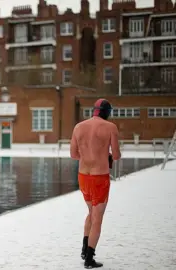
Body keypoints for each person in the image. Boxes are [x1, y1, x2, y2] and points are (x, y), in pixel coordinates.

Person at [70, 98, 121, 269]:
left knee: (91, 212)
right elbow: (116, 155)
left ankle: (85, 250)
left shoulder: (78, 127)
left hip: (83, 175)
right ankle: (89, 259)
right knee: (97, 218)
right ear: (107, 112)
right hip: (100, 177)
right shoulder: (110, 127)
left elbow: (74, 155)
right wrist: (103, 155)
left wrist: (88, 155)